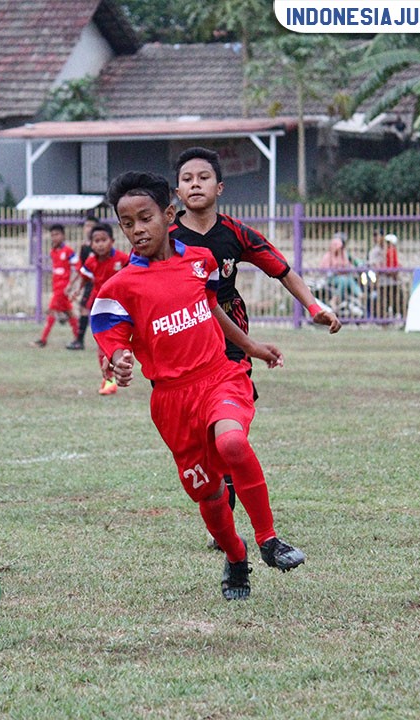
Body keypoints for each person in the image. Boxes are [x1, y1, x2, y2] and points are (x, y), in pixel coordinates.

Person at [93, 171, 306, 601]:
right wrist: (118, 363)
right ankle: (236, 554)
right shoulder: (118, 290)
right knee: (208, 494)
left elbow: (212, 311)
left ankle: (268, 539)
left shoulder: (199, 262)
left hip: (219, 374)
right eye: (127, 222)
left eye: (146, 217)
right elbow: (111, 344)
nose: (137, 229)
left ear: (169, 215)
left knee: (231, 445)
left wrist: (252, 348)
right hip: (171, 402)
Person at [171, 146, 340, 537]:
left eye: (203, 178)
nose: (195, 184)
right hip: (183, 334)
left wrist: (314, 307)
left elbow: (282, 270)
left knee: (227, 428)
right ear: (177, 192)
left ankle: (231, 487)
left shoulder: (236, 233)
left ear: (220, 187)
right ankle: (221, 486)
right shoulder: (167, 237)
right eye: (187, 179)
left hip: (232, 332)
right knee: (199, 434)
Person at [76, 222, 129, 395]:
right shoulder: (91, 261)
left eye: (103, 240)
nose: (100, 244)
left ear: (112, 241)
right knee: (103, 346)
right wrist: (78, 290)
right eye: (96, 241)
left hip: (123, 308)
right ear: (91, 244)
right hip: (102, 311)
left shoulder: (122, 259)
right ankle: (109, 380)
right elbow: (86, 278)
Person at [30, 224, 79, 348]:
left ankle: (43, 340)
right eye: (52, 235)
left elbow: (78, 268)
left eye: (57, 234)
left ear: (63, 235)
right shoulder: (53, 251)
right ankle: (79, 338)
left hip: (63, 288)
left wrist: (71, 284)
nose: (54, 237)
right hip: (56, 286)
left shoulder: (68, 251)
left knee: (52, 311)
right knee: (70, 313)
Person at [66, 213, 99, 350]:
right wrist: (73, 284)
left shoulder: (101, 243)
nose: (88, 228)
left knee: (91, 309)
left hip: (102, 281)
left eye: (91, 226)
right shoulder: (85, 247)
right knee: (84, 308)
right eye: (86, 226)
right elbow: (82, 268)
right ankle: (79, 340)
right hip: (90, 282)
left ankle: (81, 341)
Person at [318, 231, 362, 309]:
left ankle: (360, 295)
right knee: (343, 280)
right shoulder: (328, 256)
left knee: (350, 280)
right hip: (332, 279)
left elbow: (348, 266)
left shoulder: (343, 254)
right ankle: (335, 300)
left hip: (344, 277)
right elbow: (324, 270)